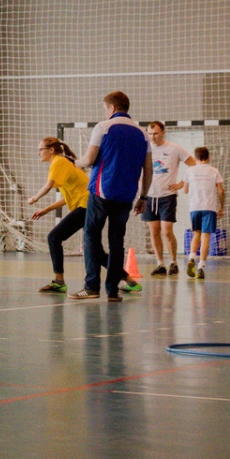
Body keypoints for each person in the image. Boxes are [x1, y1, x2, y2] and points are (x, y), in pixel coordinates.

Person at [27, 137, 142, 295]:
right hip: (88, 205)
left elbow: (49, 185)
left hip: (88, 206)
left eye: (40, 149)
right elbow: (68, 197)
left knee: (54, 237)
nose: (38, 153)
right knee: (95, 251)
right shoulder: (63, 163)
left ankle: (59, 282)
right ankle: (130, 281)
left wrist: (35, 198)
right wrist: (46, 209)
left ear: (51, 150)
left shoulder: (58, 162)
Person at [70, 92, 151, 302]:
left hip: (101, 192)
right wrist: (143, 196)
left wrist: (75, 162)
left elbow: (89, 159)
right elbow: (148, 169)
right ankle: (113, 291)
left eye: (105, 109)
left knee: (91, 237)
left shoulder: (103, 127)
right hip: (126, 196)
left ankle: (91, 287)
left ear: (112, 108)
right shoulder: (143, 133)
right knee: (117, 242)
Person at [142, 122, 194, 276]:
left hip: (167, 196)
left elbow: (193, 164)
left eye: (156, 133)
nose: (153, 137)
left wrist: (183, 183)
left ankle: (173, 262)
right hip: (149, 196)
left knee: (167, 230)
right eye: (150, 134)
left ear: (163, 132)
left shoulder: (174, 148)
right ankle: (160, 264)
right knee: (154, 231)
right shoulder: (144, 149)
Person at [182, 147, 224, 280]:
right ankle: (201, 267)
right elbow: (221, 191)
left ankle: (191, 257)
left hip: (194, 207)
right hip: (209, 207)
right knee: (205, 238)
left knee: (196, 234)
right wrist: (222, 207)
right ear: (208, 157)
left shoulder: (189, 171)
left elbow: (185, 190)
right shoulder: (214, 171)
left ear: (195, 158)